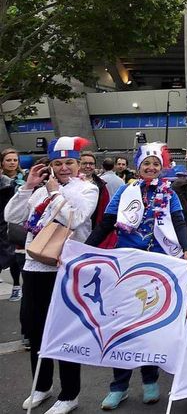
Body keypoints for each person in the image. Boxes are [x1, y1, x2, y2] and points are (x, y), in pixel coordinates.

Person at [85, 142, 187, 411]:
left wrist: (186, 250)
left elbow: (180, 223)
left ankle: (150, 380)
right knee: (122, 325)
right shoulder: (125, 191)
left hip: (156, 266)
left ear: (161, 168)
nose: (151, 168)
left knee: (149, 324)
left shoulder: (169, 193)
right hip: (126, 266)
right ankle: (119, 386)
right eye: (146, 163)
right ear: (138, 166)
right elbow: (106, 223)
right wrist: (84, 250)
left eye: (156, 164)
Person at [5, 137, 99, 414]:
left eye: (68, 162)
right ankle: (41, 386)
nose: (63, 167)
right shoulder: (41, 188)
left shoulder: (87, 189)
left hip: (65, 268)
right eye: (57, 163)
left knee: (64, 331)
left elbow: (77, 217)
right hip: (35, 267)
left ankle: (70, 394)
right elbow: (12, 215)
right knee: (35, 330)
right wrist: (29, 185)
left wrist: (56, 192)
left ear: (78, 163)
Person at [1, 147, 26, 302]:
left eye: (14, 160)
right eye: (8, 160)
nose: (12, 163)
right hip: (1, 221)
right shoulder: (1, 179)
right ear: (2, 163)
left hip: (19, 223)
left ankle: (17, 286)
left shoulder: (26, 178)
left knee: (16, 256)